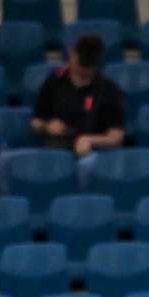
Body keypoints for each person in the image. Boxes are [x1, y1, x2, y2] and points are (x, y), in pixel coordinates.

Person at [25, 34, 127, 190]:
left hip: (88, 153)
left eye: (88, 68)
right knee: (5, 160)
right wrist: (47, 127)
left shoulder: (108, 89)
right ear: (72, 53)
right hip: (55, 148)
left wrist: (90, 140)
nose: (83, 71)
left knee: (87, 164)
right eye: (80, 65)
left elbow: (116, 136)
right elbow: (35, 122)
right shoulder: (54, 81)